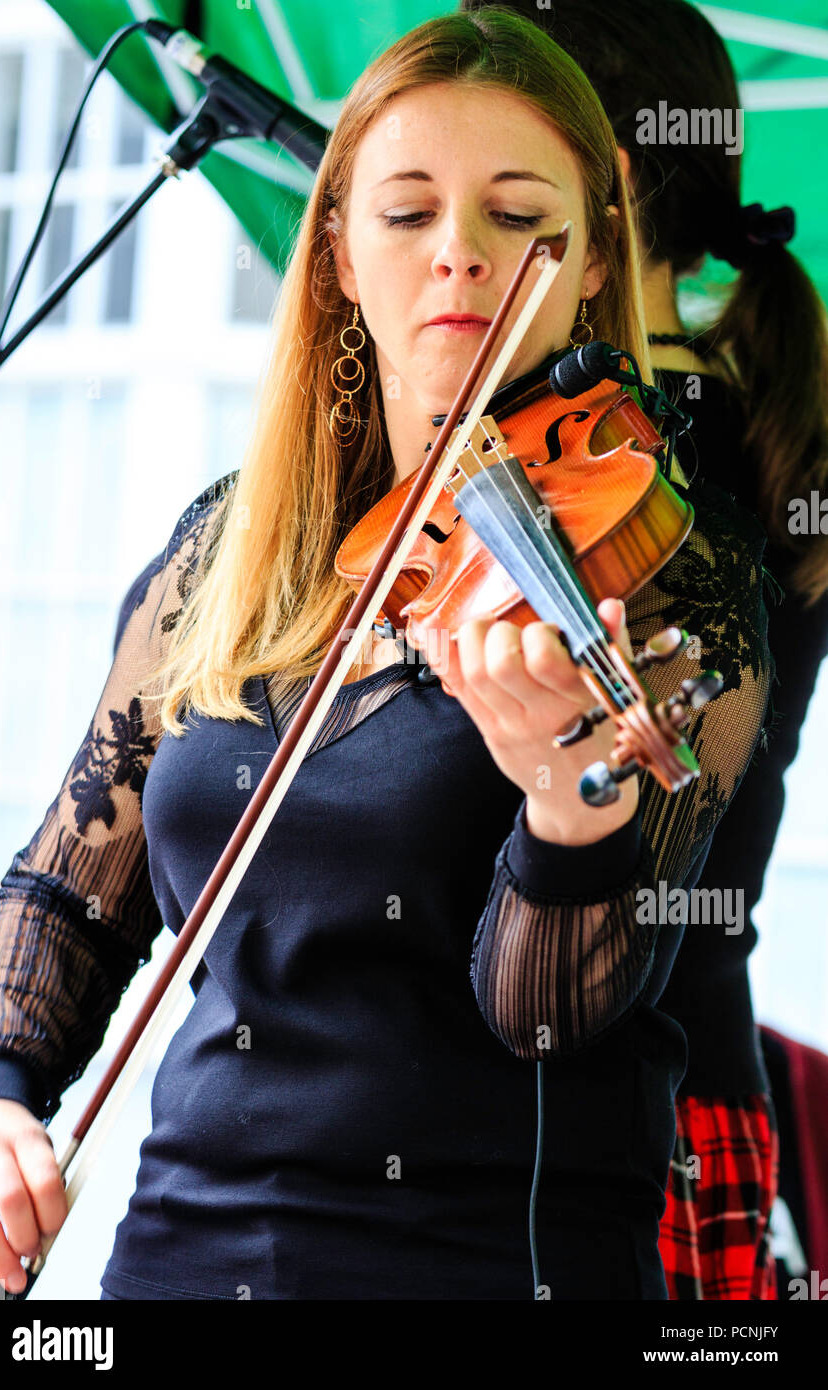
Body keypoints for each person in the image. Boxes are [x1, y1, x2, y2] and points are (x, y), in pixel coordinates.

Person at [0, 9, 770, 1301]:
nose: (460, 254)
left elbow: (549, 1016)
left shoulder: (671, 570)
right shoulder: (228, 551)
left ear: (588, 254)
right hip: (181, 1257)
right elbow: (68, 888)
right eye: (407, 212)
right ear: (336, 250)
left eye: (517, 216)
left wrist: (567, 815)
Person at [462, 0, 828, 1299]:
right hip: (697, 1096)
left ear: (599, 185)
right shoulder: (759, 424)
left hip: (583, 1131)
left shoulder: (639, 465)